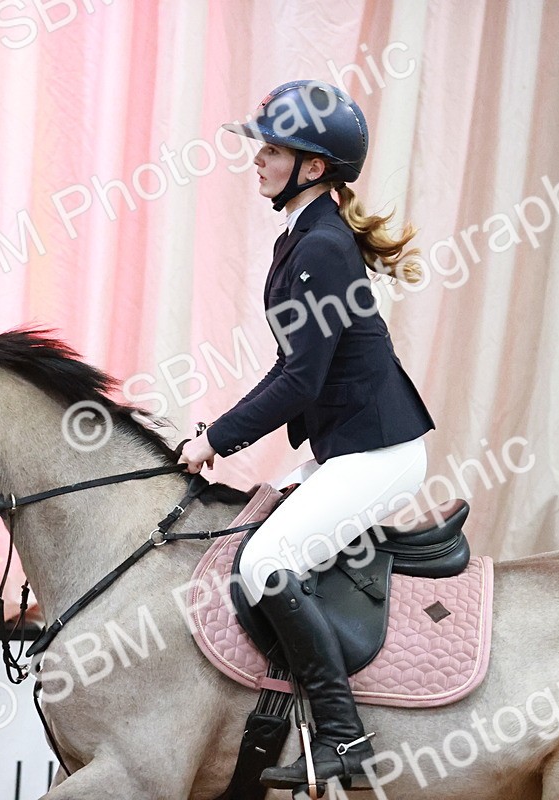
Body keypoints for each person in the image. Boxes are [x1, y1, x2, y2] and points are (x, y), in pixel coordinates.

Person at [178, 80, 434, 791]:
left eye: (274, 149)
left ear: (314, 167)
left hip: (378, 452)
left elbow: (303, 383)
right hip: (348, 443)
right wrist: (215, 430)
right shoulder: (301, 239)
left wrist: (215, 441)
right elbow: (289, 366)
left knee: (268, 566)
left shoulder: (321, 248)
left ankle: (345, 739)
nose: (258, 159)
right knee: (250, 532)